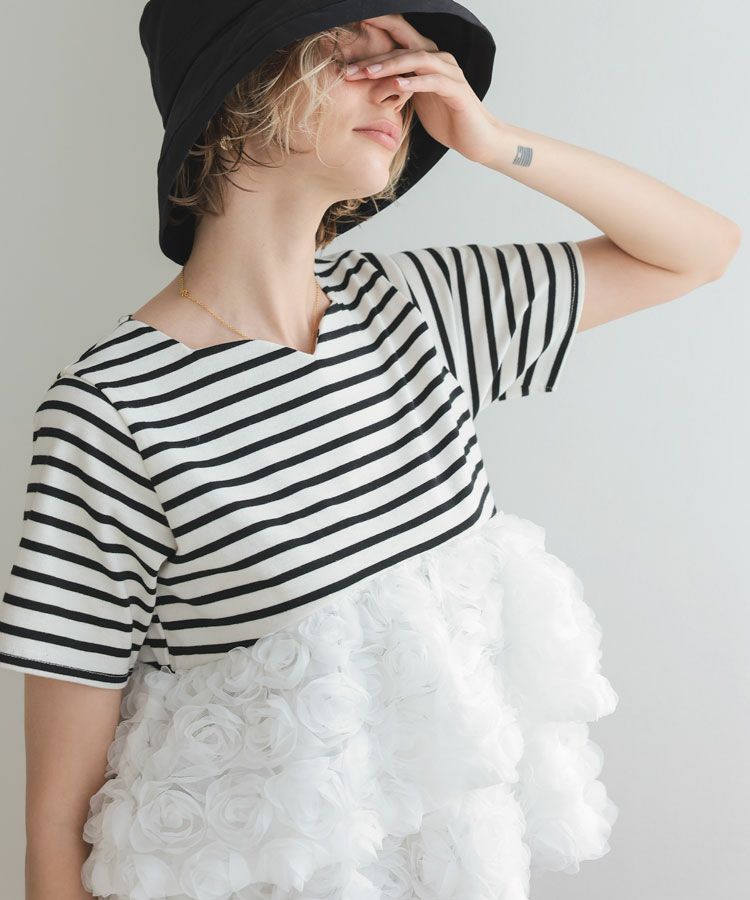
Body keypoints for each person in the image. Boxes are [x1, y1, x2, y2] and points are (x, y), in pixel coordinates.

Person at [0, 6, 741, 900]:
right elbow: (58, 825)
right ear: (238, 85)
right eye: (356, 51)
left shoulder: (416, 308)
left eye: (415, 59)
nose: (402, 86)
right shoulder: (112, 409)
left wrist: (496, 144)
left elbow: (698, 252)